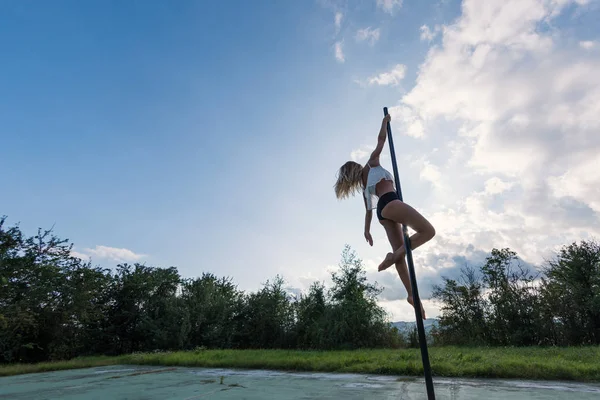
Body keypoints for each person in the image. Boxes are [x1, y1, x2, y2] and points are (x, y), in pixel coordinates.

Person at [333, 113, 436, 319]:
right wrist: (384, 122)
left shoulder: (364, 187)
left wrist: (367, 231)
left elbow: (368, 212)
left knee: (400, 250)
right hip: (390, 202)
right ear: (356, 167)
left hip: (383, 212)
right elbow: (381, 140)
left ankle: (410, 294)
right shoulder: (371, 163)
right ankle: (392, 257)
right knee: (427, 231)